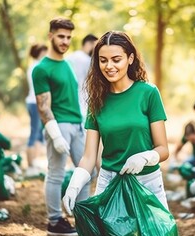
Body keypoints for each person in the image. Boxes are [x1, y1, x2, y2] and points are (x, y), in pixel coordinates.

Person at [62, 31, 170, 220]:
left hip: (147, 183)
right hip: (109, 183)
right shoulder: (97, 101)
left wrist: (145, 157)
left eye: (116, 59)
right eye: (103, 60)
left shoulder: (148, 93)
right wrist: (74, 184)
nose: (109, 66)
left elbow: (163, 149)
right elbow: (89, 156)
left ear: (130, 59)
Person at [32, 18, 89, 236]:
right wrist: (55, 135)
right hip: (59, 125)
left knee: (86, 172)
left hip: (77, 124)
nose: (65, 41)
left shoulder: (67, 64)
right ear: (50, 36)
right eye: (60, 36)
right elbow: (43, 107)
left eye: (68, 37)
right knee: (56, 173)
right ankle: (54, 221)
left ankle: (82, 218)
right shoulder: (42, 69)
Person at [25, 43, 47, 177]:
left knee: (39, 133)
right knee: (34, 133)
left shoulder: (36, 65)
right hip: (35, 103)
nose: (46, 54)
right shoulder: (36, 66)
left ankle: (34, 162)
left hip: (35, 102)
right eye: (44, 52)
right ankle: (30, 166)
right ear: (39, 53)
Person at [66, 34, 98, 121]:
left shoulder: (69, 58)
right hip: (83, 101)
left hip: (68, 100)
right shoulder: (88, 60)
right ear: (89, 44)